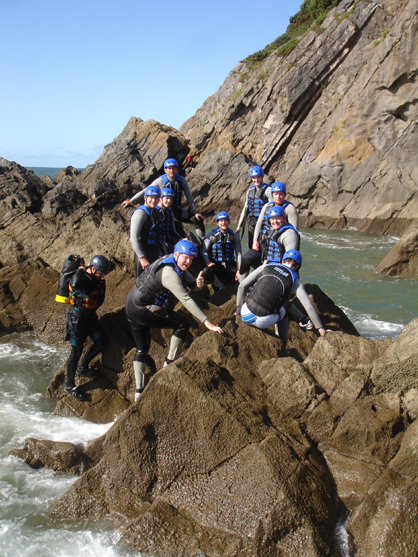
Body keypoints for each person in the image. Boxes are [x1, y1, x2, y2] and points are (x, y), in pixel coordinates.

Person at [125, 239, 224, 401]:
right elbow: (185, 299)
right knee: (183, 323)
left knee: (142, 348)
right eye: (186, 257)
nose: (189, 261)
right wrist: (207, 322)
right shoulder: (169, 272)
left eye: (191, 259)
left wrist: (198, 283)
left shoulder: (173, 261)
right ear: (176, 254)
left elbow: (192, 284)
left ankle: (138, 393)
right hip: (141, 308)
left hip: (131, 304)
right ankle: (169, 363)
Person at [234, 249, 327, 343]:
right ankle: (282, 342)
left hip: (245, 315)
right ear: (297, 266)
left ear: (282, 261)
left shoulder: (266, 266)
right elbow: (308, 306)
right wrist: (321, 329)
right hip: (262, 322)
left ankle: (240, 311)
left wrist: (238, 309)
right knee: (284, 310)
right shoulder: (295, 281)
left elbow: (242, 286)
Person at [64, 255, 113, 401]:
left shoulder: (96, 277)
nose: (102, 276)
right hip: (77, 319)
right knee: (76, 351)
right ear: (92, 269)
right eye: (100, 273)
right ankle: (69, 385)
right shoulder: (82, 278)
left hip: (90, 317)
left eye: (104, 273)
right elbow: (74, 283)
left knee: (100, 342)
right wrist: (80, 270)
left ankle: (83, 368)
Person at [122, 158, 205, 241]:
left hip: (178, 211)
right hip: (168, 213)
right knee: (180, 234)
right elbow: (145, 191)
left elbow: (189, 197)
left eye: (173, 168)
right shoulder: (160, 181)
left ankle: (203, 244)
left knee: (198, 219)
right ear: (165, 170)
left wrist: (195, 212)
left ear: (176, 169)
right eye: (169, 168)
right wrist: (131, 201)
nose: (171, 170)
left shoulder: (182, 180)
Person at [239, 205, 300, 280]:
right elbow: (268, 254)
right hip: (269, 266)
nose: (275, 221)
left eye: (278, 218)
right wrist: (263, 269)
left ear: (284, 218)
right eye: (273, 219)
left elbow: (290, 262)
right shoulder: (272, 231)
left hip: (281, 271)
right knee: (243, 285)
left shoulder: (289, 234)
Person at [235, 166, 273, 249]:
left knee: (263, 247)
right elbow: (245, 209)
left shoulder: (268, 190)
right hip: (252, 223)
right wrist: (239, 226)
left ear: (262, 177)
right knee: (252, 247)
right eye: (254, 178)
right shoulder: (250, 191)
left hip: (264, 223)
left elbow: (273, 209)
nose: (256, 180)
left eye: (258, 177)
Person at [129, 185, 162, 277]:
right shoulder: (140, 213)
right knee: (141, 284)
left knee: (153, 284)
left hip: (154, 254)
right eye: (151, 197)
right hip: (143, 254)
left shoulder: (156, 212)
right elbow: (133, 238)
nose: (154, 200)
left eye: (156, 198)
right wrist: (142, 258)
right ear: (145, 198)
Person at [202, 211, 242, 287]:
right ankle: (220, 286)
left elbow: (239, 254)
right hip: (216, 264)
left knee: (239, 279)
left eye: (225, 220)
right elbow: (204, 251)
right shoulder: (211, 234)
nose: (223, 223)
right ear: (217, 223)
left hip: (230, 264)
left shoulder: (234, 236)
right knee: (205, 272)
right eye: (221, 221)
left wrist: (238, 270)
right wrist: (207, 262)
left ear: (229, 222)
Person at [157, 187, 181, 254]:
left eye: (171, 199)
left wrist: (180, 239)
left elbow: (173, 231)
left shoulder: (169, 212)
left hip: (169, 242)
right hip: (158, 245)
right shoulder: (155, 212)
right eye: (167, 198)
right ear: (160, 198)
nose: (169, 201)